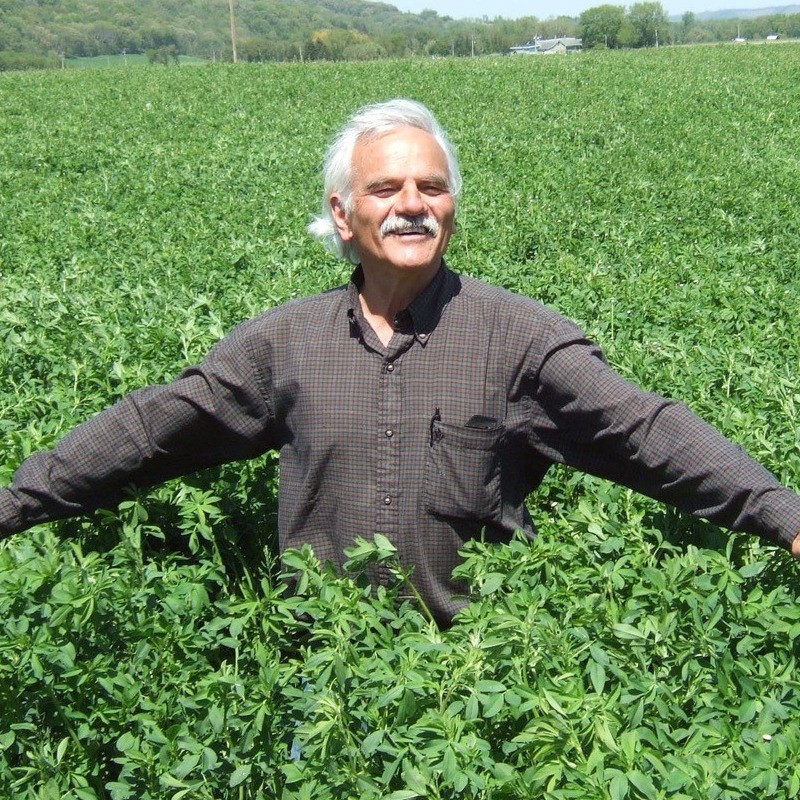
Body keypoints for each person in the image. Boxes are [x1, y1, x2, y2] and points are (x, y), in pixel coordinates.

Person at [1, 98, 799, 626]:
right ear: (343, 215)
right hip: (324, 670)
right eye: (386, 188)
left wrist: (785, 517)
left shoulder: (519, 337)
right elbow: (155, 429)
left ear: (452, 209)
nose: (412, 204)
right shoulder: (286, 343)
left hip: (474, 675)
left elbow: (644, 431)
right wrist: (14, 504)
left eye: (432, 187)